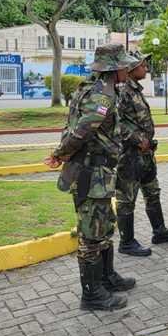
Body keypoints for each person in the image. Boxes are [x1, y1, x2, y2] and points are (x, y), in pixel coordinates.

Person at [45, 44, 137, 311]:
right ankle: (92, 294)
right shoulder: (102, 96)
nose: (127, 69)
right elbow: (81, 131)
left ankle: (106, 278)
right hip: (90, 171)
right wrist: (59, 153)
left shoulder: (94, 89)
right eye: (123, 65)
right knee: (91, 234)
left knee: (104, 226)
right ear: (113, 68)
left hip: (98, 171)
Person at [115, 51, 168, 257]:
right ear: (130, 69)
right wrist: (137, 139)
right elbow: (115, 121)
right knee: (127, 199)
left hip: (144, 154)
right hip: (129, 155)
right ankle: (126, 242)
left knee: (152, 192)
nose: (146, 68)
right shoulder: (122, 91)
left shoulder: (135, 90)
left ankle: (159, 231)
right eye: (142, 65)